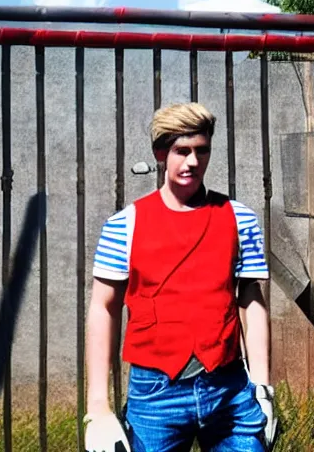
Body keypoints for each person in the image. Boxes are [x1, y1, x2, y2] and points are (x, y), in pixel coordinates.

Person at [84, 103, 277, 452]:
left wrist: (262, 385)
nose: (192, 162)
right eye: (181, 151)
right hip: (156, 393)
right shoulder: (124, 224)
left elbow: (251, 299)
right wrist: (97, 406)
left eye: (201, 151)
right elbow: (103, 307)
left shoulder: (239, 217)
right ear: (161, 153)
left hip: (229, 390)